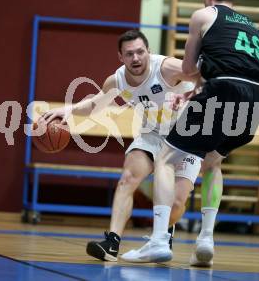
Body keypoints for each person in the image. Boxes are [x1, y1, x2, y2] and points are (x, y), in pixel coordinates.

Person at [122, 0, 259, 264]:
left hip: (224, 90)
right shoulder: (251, 26)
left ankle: (159, 240)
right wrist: (194, 93)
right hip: (257, 99)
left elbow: (188, 70)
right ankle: (206, 239)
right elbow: (237, 68)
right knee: (213, 161)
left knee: (164, 158)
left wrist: (197, 75)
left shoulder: (204, 16)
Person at [42, 30, 223, 265]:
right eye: (129, 54)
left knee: (177, 202)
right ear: (121, 57)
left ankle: (163, 233)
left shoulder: (166, 68)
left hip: (185, 136)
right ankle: (112, 242)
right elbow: (96, 105)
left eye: (140, 52)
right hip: (152, 135)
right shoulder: (117, 80)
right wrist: (68, 110)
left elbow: (205, 74)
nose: (136, 58)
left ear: (148, 51)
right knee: (128, 177)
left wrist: (194, 95)